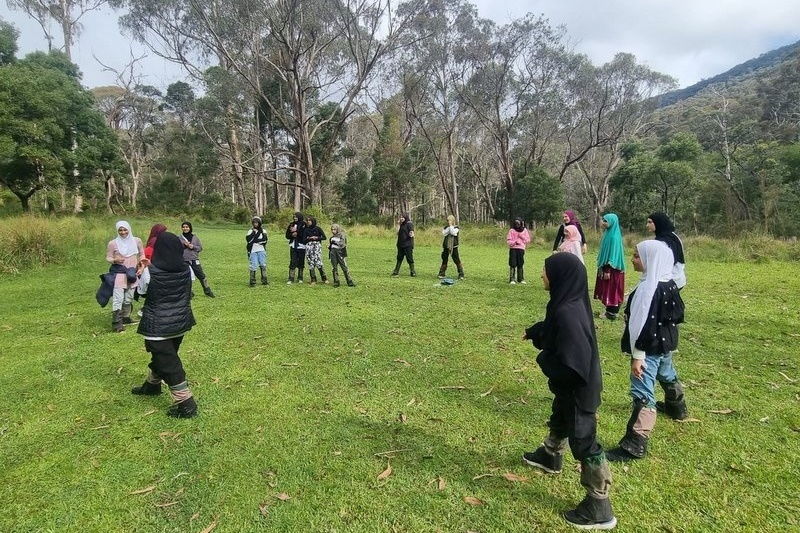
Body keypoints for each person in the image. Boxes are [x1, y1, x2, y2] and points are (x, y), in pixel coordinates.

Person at [522, 252, 616, 530]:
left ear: (560, 276)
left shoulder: (568, 312)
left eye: (545, 270)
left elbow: (572, 367)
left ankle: (599, 504)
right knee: (560, 416)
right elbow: (553, 330)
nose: (541, 274)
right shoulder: (565, 302)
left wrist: (543, 360)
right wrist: (535, 332)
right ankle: (550, 456)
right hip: (570, 391)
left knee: (584, 441)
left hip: (578, 389)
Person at [606, 240, 687, 462]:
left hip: (648, 348)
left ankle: (635, 443)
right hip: (665, 345)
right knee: (666, 373)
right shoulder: (669, 284)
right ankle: (677, 406)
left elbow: (642, 323)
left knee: (642, 393)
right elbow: (677, 316)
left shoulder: (649, 289)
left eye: (636, 256)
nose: (632, 259)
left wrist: (638, 356)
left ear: (652, 260)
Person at [132, 232, 198, 418]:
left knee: (169, 363)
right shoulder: (188, 270)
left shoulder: (148, 273)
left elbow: (142, 293)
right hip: (179, 324)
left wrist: (143, 270)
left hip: (158, 326)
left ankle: (187, 405)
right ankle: (151, 386)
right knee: (164, 357)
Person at [105, 221, 144, 332]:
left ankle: (126, 317)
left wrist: (141, 267)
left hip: (132, 274)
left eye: (125, 229)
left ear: (129, 229)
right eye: (120, 230)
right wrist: (114, 260)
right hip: (119, 273)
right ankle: (117, 324)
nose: (123, 232)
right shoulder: (113, 243)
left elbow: (142, 254)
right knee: (118, 299)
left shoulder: (137, 241)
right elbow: (108, 257)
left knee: (128, 299)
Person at [593, 213, 625, 320]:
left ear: (612, 222)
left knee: (612, 290)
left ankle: (611, 313)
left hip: (612, 269)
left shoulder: (614, 237)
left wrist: (608, 270)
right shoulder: (608, 233)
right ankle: (609, 312)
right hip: (607, 268)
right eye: (603, 220)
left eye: (605, 221)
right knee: (608, 289)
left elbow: (613, 255)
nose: (603, 222)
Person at [646, 212, 686, 289]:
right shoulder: (674, 236)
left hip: (669, 282)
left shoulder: (661, 242)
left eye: (650, 222)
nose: (647, 225)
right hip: (679, 278)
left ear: (659, 222)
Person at [180, 221, 215, 298]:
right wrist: (184, 246)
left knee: (201, 275)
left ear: (190, 228)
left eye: (187, 227)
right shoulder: (179, 238)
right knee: (187, 276)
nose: (185, 228)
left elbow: (200, 248)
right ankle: (189, 292)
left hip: (194, 259)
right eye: (183, 227)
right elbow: (176, 249)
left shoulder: (195, 237)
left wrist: (193, 247)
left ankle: (207, 290)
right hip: (184, 260)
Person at [438, 214, 464, 280]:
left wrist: (451, 226)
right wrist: (449, 227)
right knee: (444, 259)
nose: (448, 221)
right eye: (447, 220)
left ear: (452, 221)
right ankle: (441, 273)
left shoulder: (456, 228)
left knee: (456, 260)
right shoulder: (446, 227)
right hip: (446, 246)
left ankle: (461, 274)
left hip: (454, 246)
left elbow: (453, 233)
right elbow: (444, 233)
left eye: (449, 220)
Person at [328, 223, 355, 287]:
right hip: (333, 253)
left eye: (334, 229)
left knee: (344, 267)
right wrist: (329, 246)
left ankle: (349, 281)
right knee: (334, 267)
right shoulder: (332, 237)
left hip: (340, 252)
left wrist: (335, 243)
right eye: (332, 229)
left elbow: (342, 244)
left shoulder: (342, 235)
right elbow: (331, 245)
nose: (333, 231)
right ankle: (336, 281)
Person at [304, 216, 329, 284]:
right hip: (309, 248)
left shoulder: (318, 229)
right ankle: (313, 279)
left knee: (318, 262)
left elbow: (324, 237)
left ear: (313, 221)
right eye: (307, 220)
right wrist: (310, 238)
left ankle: (324, 278)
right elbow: (304, 240)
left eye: (310, 220)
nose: (308, 222)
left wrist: (317, 238)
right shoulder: (306, 230)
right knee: (311, 263)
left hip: (317, 247)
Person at [506, 217, 531, 284]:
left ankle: (521, 279)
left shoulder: (524, 230)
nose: (517, 225)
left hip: (521, 249)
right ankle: (512, 279)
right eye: (516, 223)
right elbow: (508, 241)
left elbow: (528, 240)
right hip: (513, 249)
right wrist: (514, 242)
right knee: (512, 263)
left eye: (518, 223)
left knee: (520, 263)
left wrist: (522, 236)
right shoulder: (511, 231)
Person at [246, 216, 268, 286]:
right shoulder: (250, 231)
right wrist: (254, 233)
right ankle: (252, 281)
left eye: (257, 222)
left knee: (262, 264)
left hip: (261, 249)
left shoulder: (263, 231)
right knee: (253, 265)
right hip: (253, 250)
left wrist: (256, 240)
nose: (255, 224)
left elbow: (264, 240)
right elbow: (248, 240)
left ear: (259, 223)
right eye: (254, 223)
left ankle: (264, 280)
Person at [285, 212, 306, 284]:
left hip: (301, 246)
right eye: (294, 217)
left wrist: (297, 233)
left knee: (301, 261)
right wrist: (292, 235)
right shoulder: (291, 224)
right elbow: (287, 235)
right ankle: (291, 278)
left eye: (296, 217)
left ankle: (300, 277)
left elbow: (304, 234)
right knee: (293, 261)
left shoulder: (304, 224)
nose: (295, 218)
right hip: (293, 245)